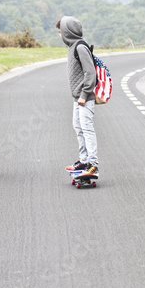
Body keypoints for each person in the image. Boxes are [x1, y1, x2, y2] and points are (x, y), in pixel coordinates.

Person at [56, 16, 99, 176]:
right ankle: (83, 161)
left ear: (68, 32)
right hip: (78, 98)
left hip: (84, 98)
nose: (60, 35)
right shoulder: (72, 46)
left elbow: (90, 73)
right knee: (78, 128)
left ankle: (93, 164)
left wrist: (84, 94)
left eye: (61, 32)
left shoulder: (80, 47)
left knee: (87, 129)